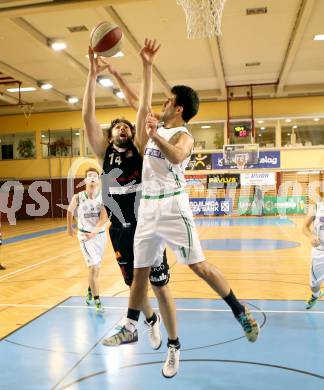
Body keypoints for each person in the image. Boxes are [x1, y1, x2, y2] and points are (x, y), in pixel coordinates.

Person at [103, 39, 260, 378]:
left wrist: (154, 136)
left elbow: (177, 155)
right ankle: (131, 324)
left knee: (200, 267)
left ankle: (238, 310)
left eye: (170, 100)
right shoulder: (156, 120)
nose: (164, 101)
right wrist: (122, 71)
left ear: (179, 109)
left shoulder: (183, 134)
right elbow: (136, 100)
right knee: (140, 273)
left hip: (174, 208)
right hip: (147, 209)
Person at [82, 45, 179, 356]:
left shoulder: (138, 147)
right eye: (116, 127)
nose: (122, 128)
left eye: (126, 126)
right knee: (132, 285)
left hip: (146, 224)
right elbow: (87, 116)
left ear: (132, 133)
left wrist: (147, 67)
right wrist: (90, 73)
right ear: (110, 136)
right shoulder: (103, 153)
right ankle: (149, 320)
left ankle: (164, 334)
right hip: (119, 228)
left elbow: (144, 105)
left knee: (157, 282)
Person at [67, 167, 108, 312]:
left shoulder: (102, 197)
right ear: (85, 180)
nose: (92, 177)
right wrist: (69, 227)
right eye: (89, 175)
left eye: (94, 176)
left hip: (100, 236)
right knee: (94, 267)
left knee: (96, 270)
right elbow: (70, 211)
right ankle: (97, 302)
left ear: (98, 180)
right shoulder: (78, 197)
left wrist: (95, 232)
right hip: (85, 236)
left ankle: (90, 290)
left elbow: (104, 218)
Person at [303, 200, 324, 309]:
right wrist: (312, 237)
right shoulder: (316, 207)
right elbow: (305, 227)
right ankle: (316, 294)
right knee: (314, 285)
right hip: (319, 252)